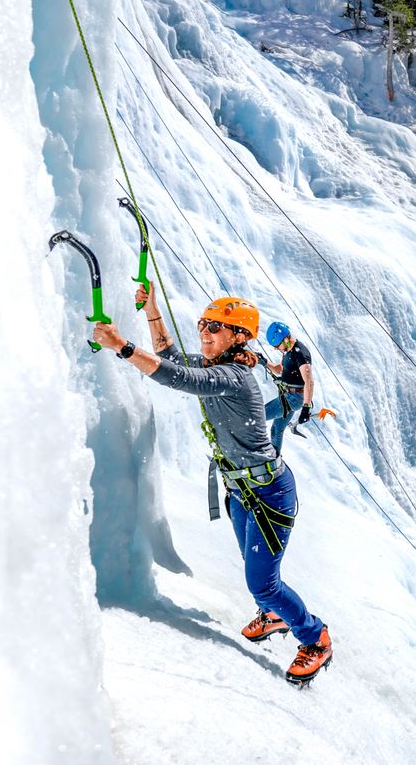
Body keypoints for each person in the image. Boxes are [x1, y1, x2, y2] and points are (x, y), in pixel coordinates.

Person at [92, 285, 332, 685]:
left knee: (263, 582)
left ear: (239, 336)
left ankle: (315, 638)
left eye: (215, 327)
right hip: (245, 491)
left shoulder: (233, 377)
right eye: (203, 325)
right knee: (256, 571)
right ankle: (274, 614)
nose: (204, 332)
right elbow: (170, 357)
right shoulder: (217, 366)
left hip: (269, 494)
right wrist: (152, 309)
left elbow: (178, 378)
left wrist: (122, 346)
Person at [258, 321, 315, 453]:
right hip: (289, 396)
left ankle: (242, 452)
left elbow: (309, 381)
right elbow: (280, 370)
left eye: (278, 346)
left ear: (285, 339)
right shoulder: (289, 351)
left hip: (292, 398)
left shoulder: (300, 353)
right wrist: (265, 362)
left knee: (258, 416)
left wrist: (306, 407)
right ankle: (274, 460)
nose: (277, 349)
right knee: (276, 430)